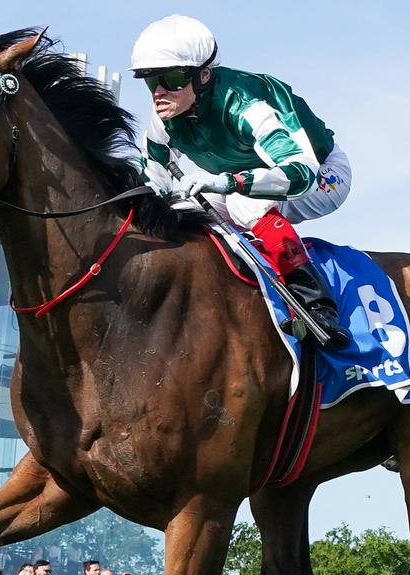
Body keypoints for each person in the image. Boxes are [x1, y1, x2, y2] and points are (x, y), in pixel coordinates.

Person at [131, 14, 351, 351]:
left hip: (323, 176)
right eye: (150, 81)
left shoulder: (247, 106)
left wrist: (229, 183)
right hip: (246, 181)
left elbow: (300, 174)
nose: (159, 92)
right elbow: (155, 185)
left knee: (245, 203)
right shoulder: (164, 117)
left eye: (172, 79)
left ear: (203, 76)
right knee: (181, 210)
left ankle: (318, 307)